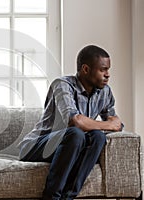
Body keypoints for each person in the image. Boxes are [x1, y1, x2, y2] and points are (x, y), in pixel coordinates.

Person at [18, 45, 123, 200]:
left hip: (72, 144)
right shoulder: (62, 85)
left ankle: (68, 197)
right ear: (86, 69)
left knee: (98, 137)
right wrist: (107, 125)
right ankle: (51, 197)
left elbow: (117, 123)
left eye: (108, 70)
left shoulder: (104, 91)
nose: (108, 75)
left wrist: (104, 125)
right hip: (36, 146)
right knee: (76, 133)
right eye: (103, 70)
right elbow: (75, 121)